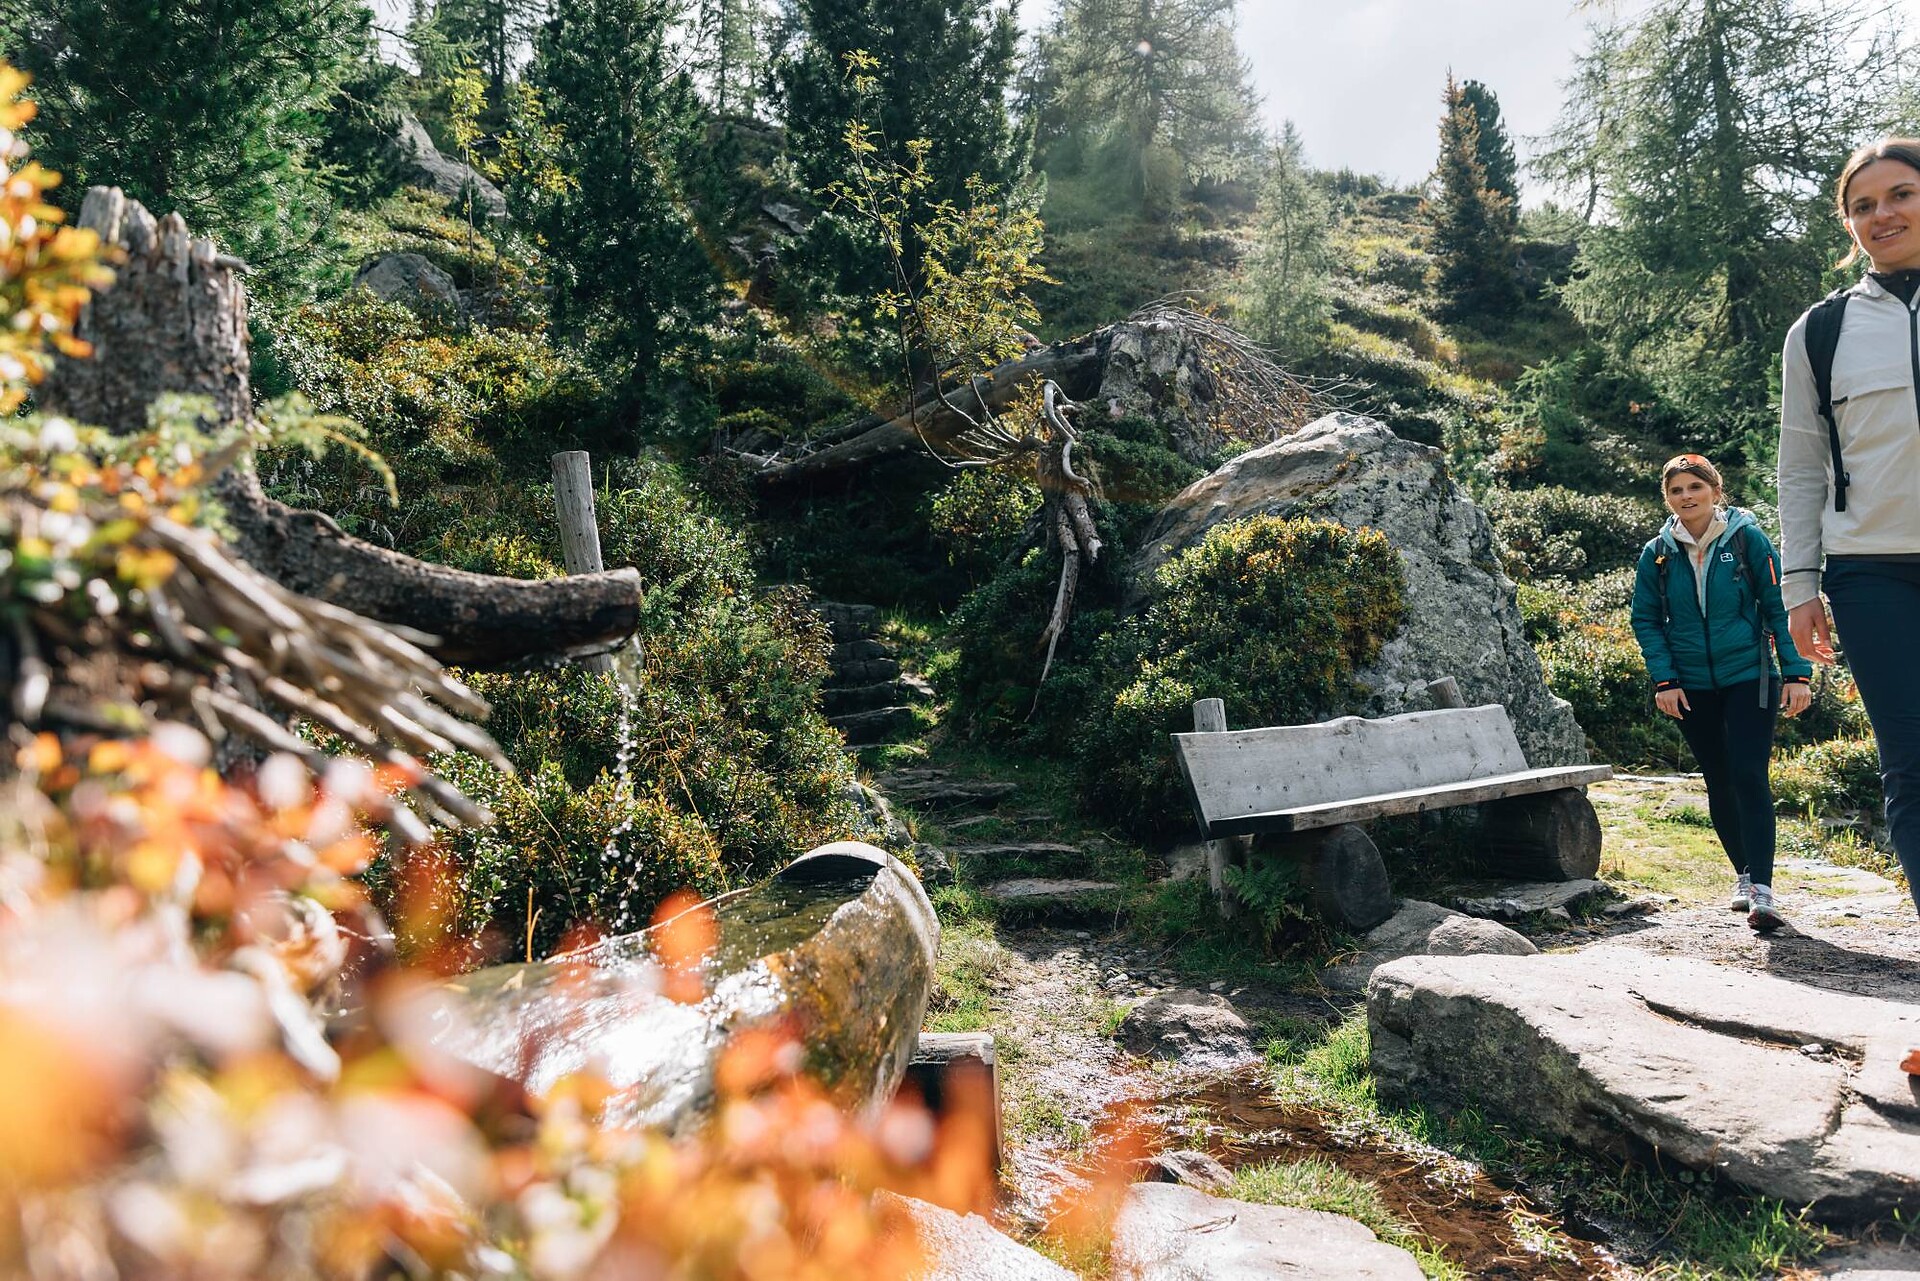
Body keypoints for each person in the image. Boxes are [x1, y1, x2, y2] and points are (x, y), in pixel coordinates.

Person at [1779, 137, 1920, 1074]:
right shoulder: (1819, 332)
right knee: (1912, 772)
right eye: (1863, 204)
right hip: (1872, 575)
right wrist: (1799, 585)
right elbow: (1801, 466)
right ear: (1847, 223)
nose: (1883, 214)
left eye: (1901, 194)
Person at [1630, 454, 1813, 932]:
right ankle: (1745, 875)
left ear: (1714, 490)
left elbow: (1779, 607)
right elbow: (1646, 621)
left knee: (1749, 774)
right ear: (1667, 498)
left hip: (1749, 675)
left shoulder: (1747, 539)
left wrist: (1795, 673)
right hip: (1690, 684)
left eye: (1695, 487)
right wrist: (1665, 681)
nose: (1686, 497)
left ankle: (1765, 894)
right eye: (1677, 490)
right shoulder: (1658, 553)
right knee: (1719, 778)